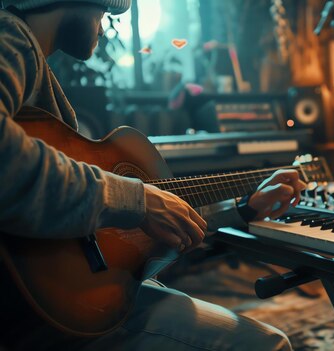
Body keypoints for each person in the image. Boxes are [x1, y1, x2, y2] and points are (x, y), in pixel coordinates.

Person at [0, 0, 305, 349]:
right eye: (104, 13)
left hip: (66, 304)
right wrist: (138, 199)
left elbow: (109, 229)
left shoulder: (37, 69)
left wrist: (244, 209)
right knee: (270, 344)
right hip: (35, 320)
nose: (105, 27)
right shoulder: (10, 36)